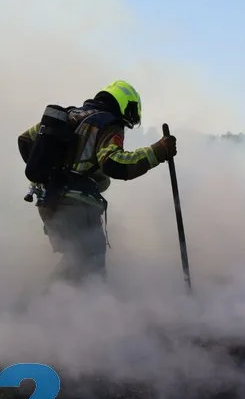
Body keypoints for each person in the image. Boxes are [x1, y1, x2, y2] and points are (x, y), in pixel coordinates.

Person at [17, 80, 177, 283]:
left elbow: (26, 140)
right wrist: (158, 151)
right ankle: (56, 309)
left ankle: (46, 306)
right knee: (89, 266)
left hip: (49, 202)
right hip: (76, 206)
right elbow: (114, 163)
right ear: (126, 105)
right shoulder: (107, 123)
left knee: (76, 261)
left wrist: (53, 174)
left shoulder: (70, 115)